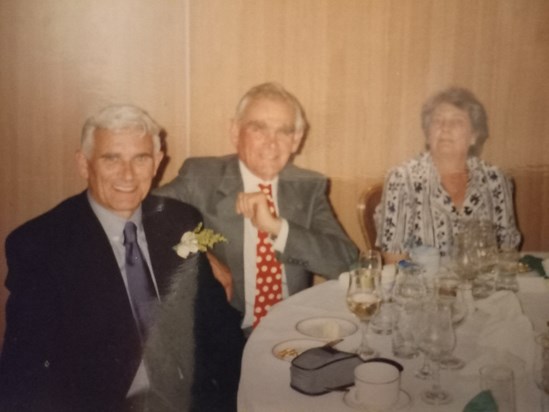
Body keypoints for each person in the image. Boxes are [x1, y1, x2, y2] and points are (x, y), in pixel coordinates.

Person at [0, 105, 244, 412]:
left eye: (140, 158)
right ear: (83, 163)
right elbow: (25, 375)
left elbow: (218, 330)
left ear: (157, 163)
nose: (127, 175)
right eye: (111, 158)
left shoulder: (180, 221)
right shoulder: (41, 245)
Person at [155, 82, 357, 331]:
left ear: (296, 140)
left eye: (283, 131)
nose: (271, 143)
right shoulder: (202, 177)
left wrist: (277, 227)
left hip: (293, 330)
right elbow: (147, 214)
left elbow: (348, 263)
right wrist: (202, 258)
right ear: (235, 132)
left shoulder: (308, 187)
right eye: (259, 129)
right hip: (227, 332)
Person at [375, 87, 521, 264]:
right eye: (437, 121)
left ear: (474, 135)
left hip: (482, 288)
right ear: (428, 134)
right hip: (422, 287)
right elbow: (394, 258)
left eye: (457, 122)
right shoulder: (402, 179)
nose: (445, 128)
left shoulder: (496, 179)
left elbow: (507, 250)